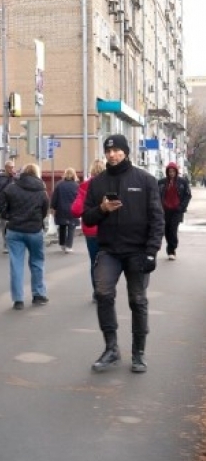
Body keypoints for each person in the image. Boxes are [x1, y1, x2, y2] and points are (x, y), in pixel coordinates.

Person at [82, 134, 164, 373]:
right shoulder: (97, 183)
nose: (112, 155)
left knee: (137, 300)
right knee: (103, 293)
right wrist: (102, 209)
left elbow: (157, 219)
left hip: (138, 251)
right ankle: (111, 349)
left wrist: (152, 252)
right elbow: (87, 218)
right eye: (108, 151)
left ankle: (138, 353)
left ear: (125, 152)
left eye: (117, 150)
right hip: (109, 250)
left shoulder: (145, 180)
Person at [0, 163, 50, 310]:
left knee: (16, 264)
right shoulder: (41, 190)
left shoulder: (12, 187)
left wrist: (7, 215)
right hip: (34, 230)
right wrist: (38, 219)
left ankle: (18, 299)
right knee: (37, 262)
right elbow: (45, 210)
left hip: (15, 230)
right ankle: (38, 295)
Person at [72, 158, 106, 298]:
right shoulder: (109, 185)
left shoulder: (84, 186)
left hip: (90, 230)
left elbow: (75, 210)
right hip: (107, 229)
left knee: (94, 262)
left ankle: (97, 292)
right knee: (109, 262)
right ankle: (106, 290)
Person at [157, 162, 191, 261]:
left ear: (176, 171)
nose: (171, 173)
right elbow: (156, 195)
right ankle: (170, 247)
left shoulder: (182, 182)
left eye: (173, 171)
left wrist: (182, 207)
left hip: (177, 210)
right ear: (167, 172)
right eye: (169, 171)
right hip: (164, 210)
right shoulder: (161, 182)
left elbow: (188, 195)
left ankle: (172, 250)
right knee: (166, 230)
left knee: (173, 229)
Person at [50, 168, 80, 254]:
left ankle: (62, 244)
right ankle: (69, 246)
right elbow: (79, 198)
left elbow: (54, 197)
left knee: (62, 226)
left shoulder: (59, 185)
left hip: (61, 209)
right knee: (71, 227)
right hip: (72, 209)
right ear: (74, 175)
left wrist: (52, 207)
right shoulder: (76, 186)